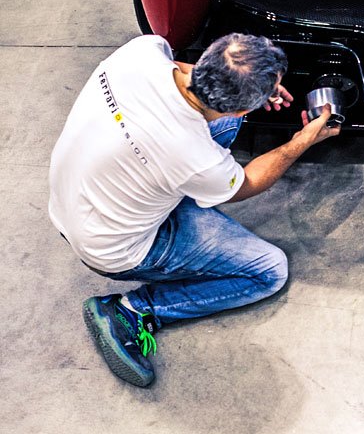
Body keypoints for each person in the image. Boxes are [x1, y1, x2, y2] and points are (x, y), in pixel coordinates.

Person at [49, 32, 338, 387]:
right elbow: (245, 184)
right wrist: (302, 142)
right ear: (243, 106)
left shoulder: (140, 53)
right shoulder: (196, 159)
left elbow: (181, 71)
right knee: (268, 271)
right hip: (116, 247)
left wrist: (251, 87)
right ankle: (132, 311)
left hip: (72, 202)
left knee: (223, 127)